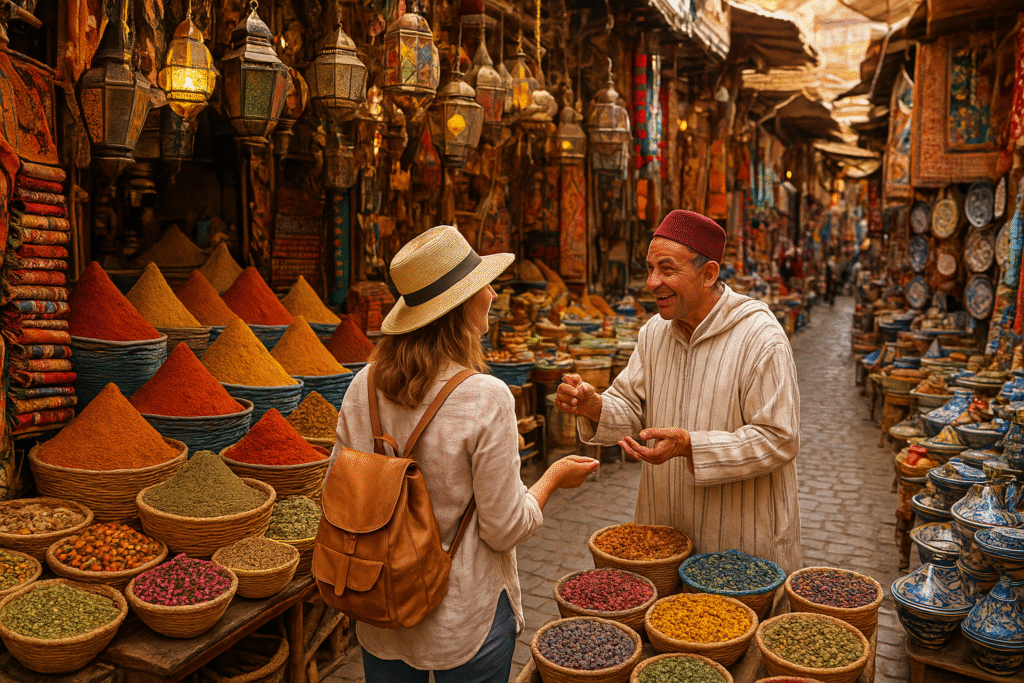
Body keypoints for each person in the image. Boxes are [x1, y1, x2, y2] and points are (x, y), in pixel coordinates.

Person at [332, 225, 599, 683]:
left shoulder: (364, 384)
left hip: (381, 607)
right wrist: (551, 478)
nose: (493, 294)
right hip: (463, 618)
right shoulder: (485, 397)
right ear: (459, 307)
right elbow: (504, 527)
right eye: (483, 286)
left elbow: (336, 491)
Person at [555, 209, 802, 575]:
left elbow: (779, 438)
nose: (653, 282)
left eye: (667, 269)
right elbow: (630, 407)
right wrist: (594, 405)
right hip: (664, 536)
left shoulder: (759, 338)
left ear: (708, 274)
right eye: (650, 269)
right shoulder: (654, 332)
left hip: (739, 540)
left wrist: (692, 446)